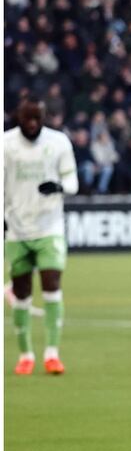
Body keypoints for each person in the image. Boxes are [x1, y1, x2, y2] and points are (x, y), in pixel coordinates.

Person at [4, 97, 78, 376]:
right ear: (18, 119)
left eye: (37, 118)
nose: (32, 124)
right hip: (17, 229)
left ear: (45, 118)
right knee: (21, 291)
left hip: (50, 227)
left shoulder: (59, 142)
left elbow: (73, 183)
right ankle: (25, 354)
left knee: (51, 282)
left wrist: (58, 186)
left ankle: (52, 353)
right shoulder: (6, 144)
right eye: (27, 119)